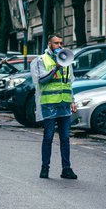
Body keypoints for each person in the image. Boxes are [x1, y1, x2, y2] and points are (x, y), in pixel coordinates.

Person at [31, 35, 77, 180]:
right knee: (48, 137)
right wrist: (55, 68)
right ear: (49, 44)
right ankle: (45, 168)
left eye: (61, 43)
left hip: (64, 103)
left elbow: (69, 82)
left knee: (65, 138)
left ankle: (66, 169)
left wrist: (73, 100)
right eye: (56, 43)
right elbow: (41, 81)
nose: (59, 45)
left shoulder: (66, 61)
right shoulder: (41, 60)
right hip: (49, 103)